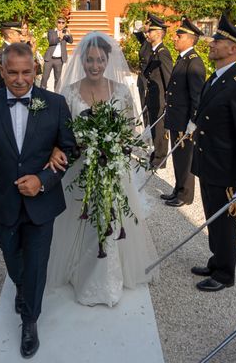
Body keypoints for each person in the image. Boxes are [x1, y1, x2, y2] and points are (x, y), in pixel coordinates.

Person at [0, 43, 76, 358]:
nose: (19, 79)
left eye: (26, 72)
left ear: (35, 71)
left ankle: (30, 320)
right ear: (1, 71)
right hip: (2, 202)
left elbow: (70, 148)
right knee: (10, 252)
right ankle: (21, 285)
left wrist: (43, 180)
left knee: (36, 264)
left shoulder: (54, 104)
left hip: (42, 205)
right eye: (12, 72)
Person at [47, 32, 158, 307]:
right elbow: (61, 132)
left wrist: (115, 146)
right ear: (82, 60)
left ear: (108, 60)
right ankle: (79, 272)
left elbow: (131, 129)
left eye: (99, 60)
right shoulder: (70, 91)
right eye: (89, 60)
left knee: (111, 218)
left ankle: (108, 280)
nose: (94, 65)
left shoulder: (120, 91)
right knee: (80, 218)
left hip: (113, 168)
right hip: (80, 168)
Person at [189, 14, 236, 292]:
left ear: (233, 48)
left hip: (226, 167)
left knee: (225, 222)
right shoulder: (217, 78)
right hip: (209, 162)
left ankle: (225, 273)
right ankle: (216, 259)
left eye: (218, 40)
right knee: (212, 217)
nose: (212, 43)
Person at [161, 17, 206, 207]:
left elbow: (197, 97)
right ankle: (178, 188)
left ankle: (185, 195)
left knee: (185, 158)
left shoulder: (194, 63)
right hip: (176, 118)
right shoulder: (183, 59)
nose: (174, 38)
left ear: (190, 38)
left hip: (185, 121)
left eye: (179, 35)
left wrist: (193, 121)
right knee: (178, 158)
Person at [142, 13, 173, 168]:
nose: (147, 33)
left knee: (160, 131)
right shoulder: (155, 51)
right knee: (154, 128)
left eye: (151, 31)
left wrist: (168, 102)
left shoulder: (163, 53)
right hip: (153, 97)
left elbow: (168, 79)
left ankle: (160, 160)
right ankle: (156, 155)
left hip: (161, 99)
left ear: (159, 33)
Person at [41, 17, 72, 90]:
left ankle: (56, 97)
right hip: (49, 59)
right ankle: (41, 96)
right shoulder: (51, 31)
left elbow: (70, 41)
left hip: (59, 60)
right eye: (59, 22)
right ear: (56, 23)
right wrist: (60, 38)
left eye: (62, 23)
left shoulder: (65, 33)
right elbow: (51, 41)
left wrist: (69, 34)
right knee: (45, 78)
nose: (60, 24)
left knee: (58, 80)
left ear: (65, 24)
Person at [0, 22, 23, 87]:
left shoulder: (11, 50)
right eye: (18, 34)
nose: (21, 37)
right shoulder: (4, 52)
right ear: (10, 35)